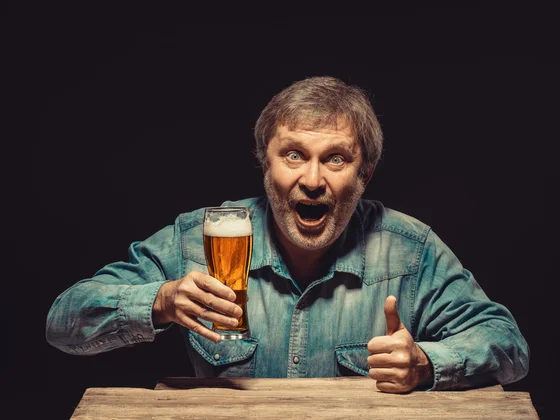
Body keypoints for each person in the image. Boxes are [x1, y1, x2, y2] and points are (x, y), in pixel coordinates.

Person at [46, 76, 529, 393]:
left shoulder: (410, 248)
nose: (314, 180)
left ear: (367, 173)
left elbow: (508, 344)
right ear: (265, 164)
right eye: (293, 155)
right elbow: (63, 322)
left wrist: (427, 361)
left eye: (336, 158)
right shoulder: (199, 238)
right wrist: (161, 301)